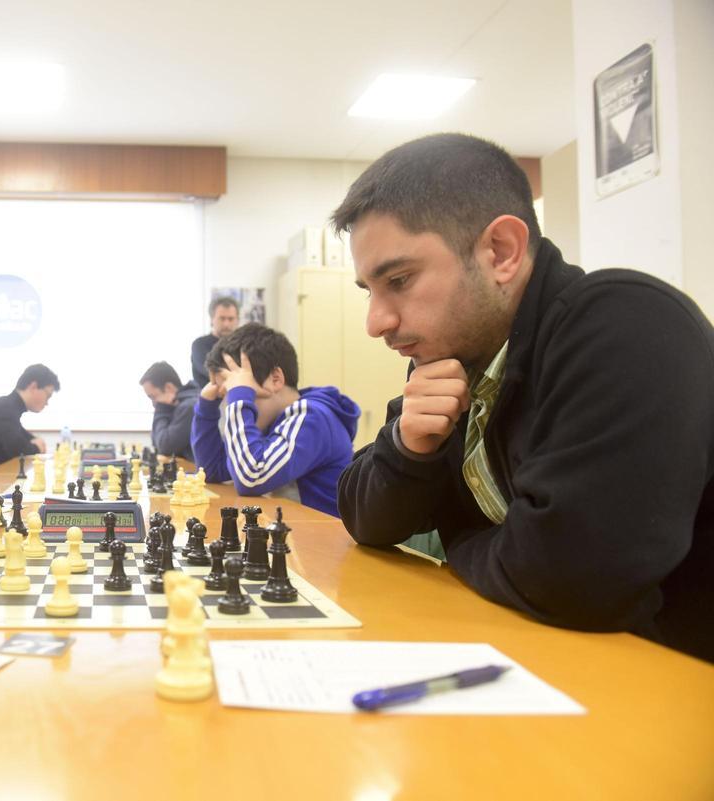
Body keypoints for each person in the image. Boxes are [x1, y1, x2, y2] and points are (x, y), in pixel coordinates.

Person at [333, 132, 714, 664]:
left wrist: (458, 539)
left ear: (501, 251)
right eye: (370, 291)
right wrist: (407, 448)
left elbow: (572, 577)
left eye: (399, 279)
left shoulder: (627, 324)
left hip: (674, 689)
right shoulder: (457, 358)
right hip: (556, 664)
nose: (378, 322)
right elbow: (363, 516)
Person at [191, 322, 359, 517]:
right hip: (296, 538)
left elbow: (251, 477)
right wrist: (206, 406)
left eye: (236, 390)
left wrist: (239, 397)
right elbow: (211, 470)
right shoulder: (273, 422)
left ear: (275, 379)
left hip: (327, 542)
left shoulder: (312, 416)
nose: (231, 401)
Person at [139, 361, 198, 461]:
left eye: (153, 397)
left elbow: (164, 446)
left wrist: (161, 409)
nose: (154, 404)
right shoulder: (176, 406)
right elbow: (156, 442)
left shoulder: (189, 407)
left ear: (168, 387)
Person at [190, 295, 239, 386]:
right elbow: (211, 372)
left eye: (231, 319)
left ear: (237, 320)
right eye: (222, 318)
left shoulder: (243, 345)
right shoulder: (200, 345)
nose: (226, 324)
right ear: (212, 319)